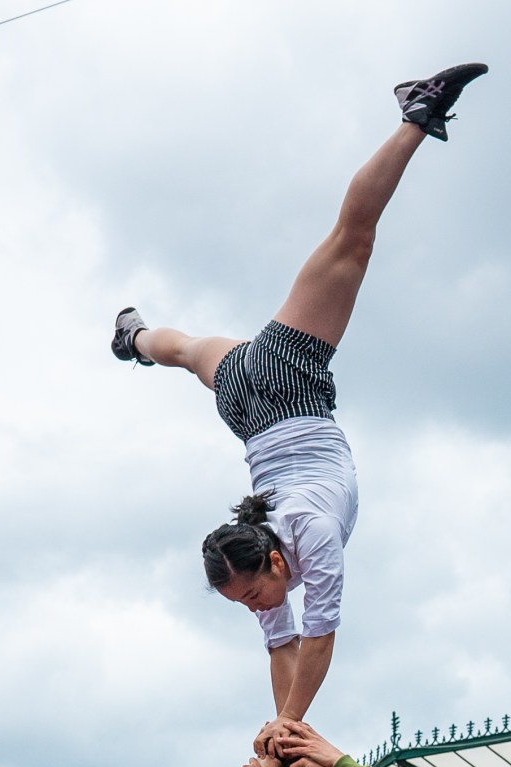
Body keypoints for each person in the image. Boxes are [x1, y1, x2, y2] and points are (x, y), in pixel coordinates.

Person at [111, 64, 488, 728]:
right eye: (243, 601)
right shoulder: (270, 551)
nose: (255, 604)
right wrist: (285, 726)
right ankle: (135, 335)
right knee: (190, 350)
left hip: (282, 388)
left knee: (352, 241)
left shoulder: (306, 537)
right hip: (246, 411)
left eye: (253, 593)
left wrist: (286, 726)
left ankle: (416, 113)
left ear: (274, 559)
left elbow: (316, 643)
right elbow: (288, 647)